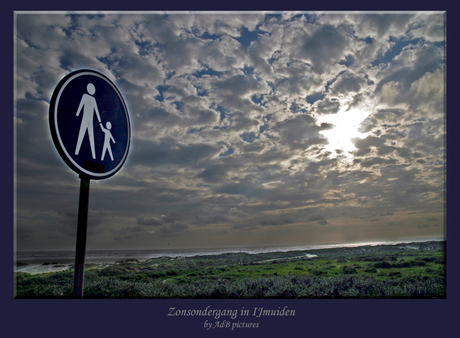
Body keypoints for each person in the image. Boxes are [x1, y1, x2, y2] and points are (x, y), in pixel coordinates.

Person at [74, 83, 102, 159]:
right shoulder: (85, 96)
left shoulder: (93, 99)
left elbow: (96, 111)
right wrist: (77, 114)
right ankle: (76, 152)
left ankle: (93, 155)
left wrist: (100, 121)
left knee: (91, 136)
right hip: (84, 118)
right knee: (81, 134)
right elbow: (81, 105)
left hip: (91, 120)